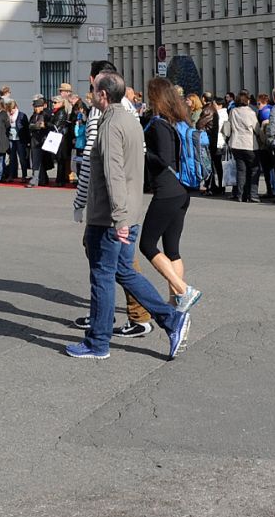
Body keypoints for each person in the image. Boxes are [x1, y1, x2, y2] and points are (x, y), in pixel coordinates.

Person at [66, 68, 191, 361]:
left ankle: (98, 342)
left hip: (110, 216)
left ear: (103, 95)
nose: (90, 94)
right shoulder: (131, 118)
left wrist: (119, 218)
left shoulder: (110, 124)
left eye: (93, 89)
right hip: (128, 212)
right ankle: (171, 319)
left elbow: (113, 174)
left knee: (102, 274)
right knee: (124, 271)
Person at [140, 78, 204, 312]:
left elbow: (164, 159)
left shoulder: (159, 125)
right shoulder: (176, 121)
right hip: (180, 190)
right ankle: (176, 302)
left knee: (147, 245)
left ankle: (182, 289)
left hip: (167, 191)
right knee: (172, 249)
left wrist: (143, 152)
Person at [226, 91, 261, 203]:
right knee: (254, 169)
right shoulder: (250, 112)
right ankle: (253, 194)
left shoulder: (233, 111)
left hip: (236, 143)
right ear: (247, 101)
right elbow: (257, 128)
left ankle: (241, 194)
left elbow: (229, 126)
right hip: (249, 144)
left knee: (241, 170)